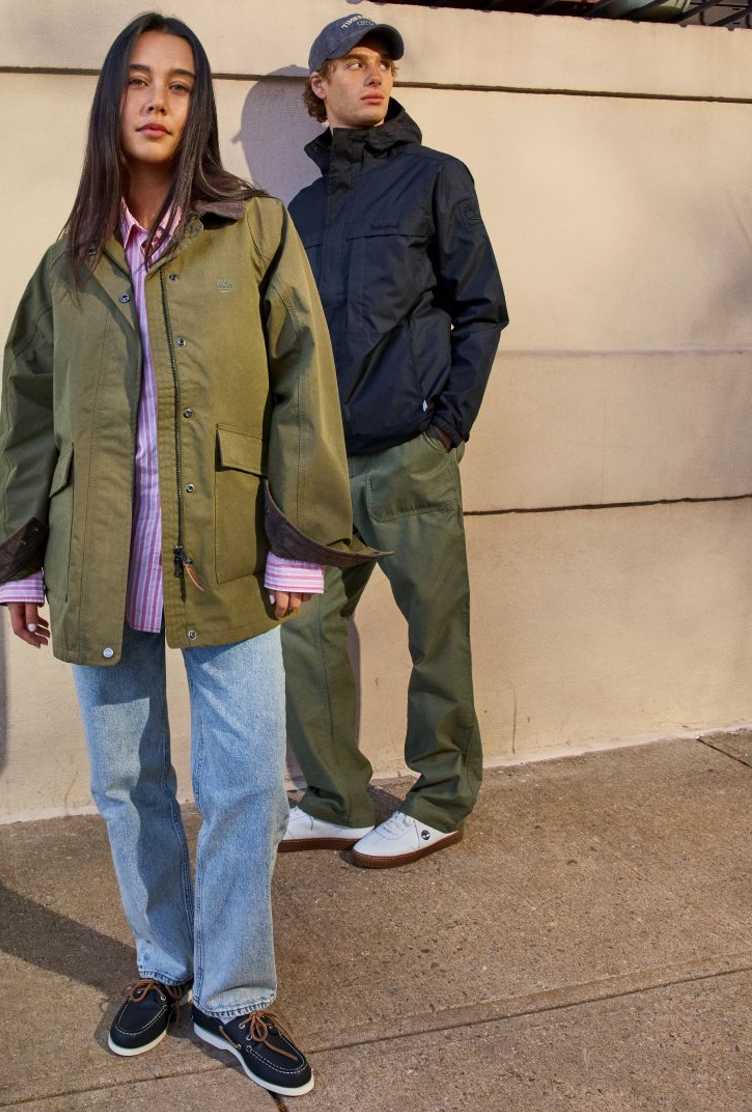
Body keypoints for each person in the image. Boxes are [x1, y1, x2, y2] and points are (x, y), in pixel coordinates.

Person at [0, 13, 372, 1097]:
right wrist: (21, 561)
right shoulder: (67, 262)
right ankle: (165, 965)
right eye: (139, 81)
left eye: (181, 84)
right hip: (99, 558)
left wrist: (296, 548)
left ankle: (234, 994)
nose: (158, 101)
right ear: (110, 100)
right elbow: (27, 418)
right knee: (127, 781)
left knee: (244, 783)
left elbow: (304, 385)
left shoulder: (253, 229)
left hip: (230, 551)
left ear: (197, 106)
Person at [278, 16, 508, 867]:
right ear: (319, 85)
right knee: (304, 631)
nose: (375, 76)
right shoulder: (300, 211)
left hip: (411, 454)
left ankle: (441, 797)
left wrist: (446, 428)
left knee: (435, 632)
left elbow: (481, 308)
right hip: (323, 466)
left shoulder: (436, 178)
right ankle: (335, 798)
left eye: (384, 64)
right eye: (353, 63)